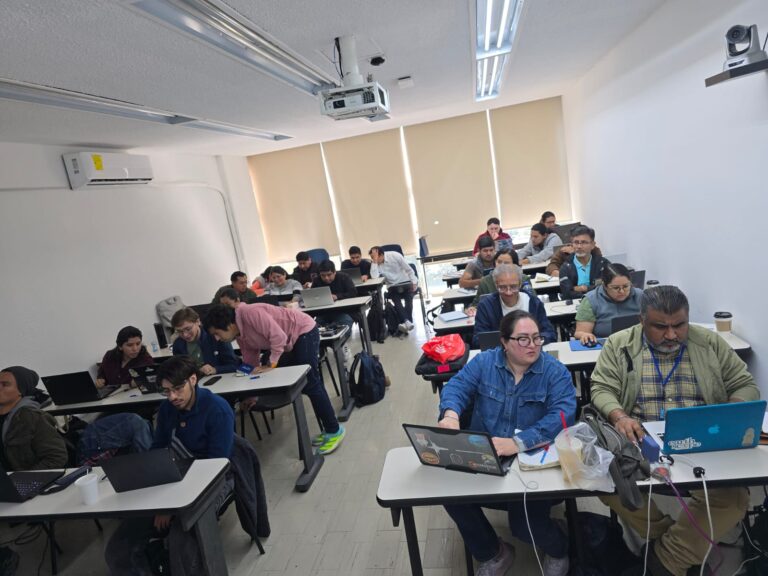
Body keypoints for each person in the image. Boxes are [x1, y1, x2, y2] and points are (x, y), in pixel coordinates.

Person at [590, 286, 759, 576]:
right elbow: (601, 387)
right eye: (660, 327)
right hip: (640, 440)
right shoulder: (620, 344)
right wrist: (620, 416)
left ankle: (663, 560)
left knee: (734, 498)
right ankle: (676, 547)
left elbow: (745, 384)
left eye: (679, 325)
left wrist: (730, 410)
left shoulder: (708, 342)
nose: (671, 335)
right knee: (606, 484)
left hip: (703, 438)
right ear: (642, 320)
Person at [439, 311, 576, 576]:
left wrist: (518, 442)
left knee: (524, 526)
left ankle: (559, 547)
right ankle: (493, 552)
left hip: (532, 460)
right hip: (487, 453)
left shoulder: (554, 371)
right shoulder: (485, 362)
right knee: (449, 494)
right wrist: (451, 415)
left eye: (537, 338)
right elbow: (457, 387)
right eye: (523, 339)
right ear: (504, 341)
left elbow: (563, 416)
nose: (532, 345)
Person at [105, 356, 235, 576]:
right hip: (176, 475)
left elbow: (214, 468)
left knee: (180, 544)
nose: (172, 397)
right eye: (166, 391)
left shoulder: (217, 409)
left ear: (193, 379)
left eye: (177, 389)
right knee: (118, 549)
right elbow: (158, 449)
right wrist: (156, 494)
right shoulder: (168, 409)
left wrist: (170, 506)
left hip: (215, 480)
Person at [204, 304, 346, 455]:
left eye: (217, 333)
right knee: (308, 383)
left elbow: (278, 337)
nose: (217, 338)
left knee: (310, 382)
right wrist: (251, 396)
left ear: (228, 325)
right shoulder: (240, 335)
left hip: (304, 330)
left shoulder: (250, 314)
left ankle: (334, 430)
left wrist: (271, 364)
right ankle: (330, 429)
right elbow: (250, 362)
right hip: (288, 342)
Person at [0, 366, 67, 470]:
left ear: (21, 390)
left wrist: (26, 477)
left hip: (22, 477)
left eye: (5, 384)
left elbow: (56, 457)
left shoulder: (32, 417)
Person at [472, 264, 556, 347]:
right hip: (500, 352)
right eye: (502, 287)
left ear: (520, 284)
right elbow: (478, 339)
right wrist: (511, 344)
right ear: (496, 285)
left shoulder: (533, 302)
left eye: (513, 287)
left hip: (531, 349)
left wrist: (535, 341)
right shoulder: (485, 306)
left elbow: (549, 333)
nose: (508, 292)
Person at [573, 263, 642, 344]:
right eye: (616, 288)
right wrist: (585, 335)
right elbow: (580, 332)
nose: (622, 291)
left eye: (626, 286)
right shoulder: (591, 300)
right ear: (605, 286)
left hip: (637, 342)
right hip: (605, 345)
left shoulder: (640, 296)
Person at [171, 307, 239, 374]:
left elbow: (234, 365)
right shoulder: (178, 344)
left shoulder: (216, 335)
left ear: (198, 322)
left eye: (188, 329)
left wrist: (215, 369)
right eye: (179, 331)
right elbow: (178, 370)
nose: (185, 335)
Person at [369, 245, 418, 333]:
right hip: (392, 286)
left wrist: (414, 282)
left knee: (408, 298)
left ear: (381, 255)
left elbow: (409, 270)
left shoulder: (395, 255)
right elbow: (374, 277)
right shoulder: (375, 263)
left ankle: (405, 322)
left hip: (405, 282)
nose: (373, 260)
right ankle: (407, 322)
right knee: (396, 300)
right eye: (372, 258)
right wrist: (375, 261)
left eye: (375, 257)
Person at [557, 225, 610, 300]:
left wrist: (583, 288)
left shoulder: (603, 264)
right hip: (576, 303)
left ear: (593, 245)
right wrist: (592, 289)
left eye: (584, 242)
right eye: (576, 242)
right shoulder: (566, 267)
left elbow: (608, 288)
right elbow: (567, 293)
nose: (579, 246)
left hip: (600, 302)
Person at [311, 260, 357, 329]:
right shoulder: (316, 280)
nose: (326, 278)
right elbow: (312, 296)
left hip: (343, 311)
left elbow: (353, 292)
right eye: (323, 275)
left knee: (344, 325)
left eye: (329, 275)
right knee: (312, 328)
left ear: (334, 272)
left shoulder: (344, 277)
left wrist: (337, 296)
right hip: (324, 313)